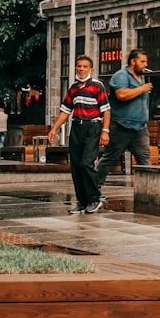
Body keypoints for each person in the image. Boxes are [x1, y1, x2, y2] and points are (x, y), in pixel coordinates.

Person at [48, 56, 111, 214]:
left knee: (86, 164)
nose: (81, 69)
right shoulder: (73, 88)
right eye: (79, 66)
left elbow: (106, 111)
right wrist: (54, 129)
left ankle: (94, 198)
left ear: (91, 69)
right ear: (75, 68)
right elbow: (65, 111)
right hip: (76, 128)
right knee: (76, 166)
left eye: (85, 66)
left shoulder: (98, 86)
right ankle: (82, 202)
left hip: (93, 127)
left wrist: (105, 131)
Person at [96, 49, 153, 188]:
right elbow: (122, 94)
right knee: (109, 159)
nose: (145, 64)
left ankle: (147, 190)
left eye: (146, 62)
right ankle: (93, 187)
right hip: (121, 126)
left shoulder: (141, 77)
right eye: (142, 61)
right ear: (133, 61)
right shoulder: (121, 76)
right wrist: (142, 89)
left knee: (145, 161)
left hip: (140, 128)